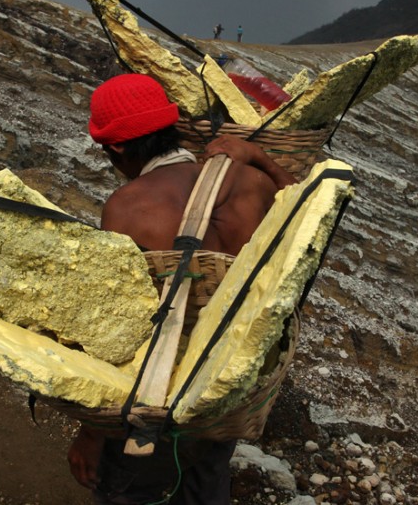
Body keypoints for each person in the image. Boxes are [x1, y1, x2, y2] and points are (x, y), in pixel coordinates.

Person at [68, 73, 295, 504]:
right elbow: (307, 216)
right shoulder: (252, 182)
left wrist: (92, 432)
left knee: (133, 489)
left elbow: (122, 325)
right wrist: (260, 159)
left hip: (157, 397)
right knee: (204, 482)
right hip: (225, 386)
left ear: (116, 146)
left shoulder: (127, 207)